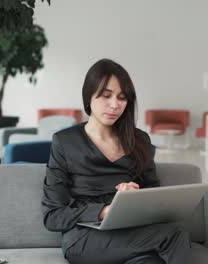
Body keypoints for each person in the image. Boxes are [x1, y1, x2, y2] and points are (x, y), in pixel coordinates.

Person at [42, 58, 192, 264]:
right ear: (89, 97)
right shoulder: (65, 142)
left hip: (131, 233)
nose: (115, 105)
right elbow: (53, 215)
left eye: (122, 98)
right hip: (84, 237)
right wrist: (105, 211)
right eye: (106, 96)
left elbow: (155, 199)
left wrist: (135, 198)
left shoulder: (139, 140)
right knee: (175, 235)